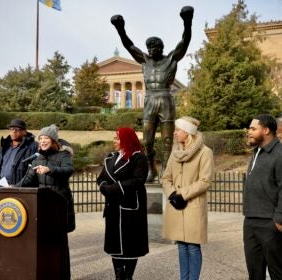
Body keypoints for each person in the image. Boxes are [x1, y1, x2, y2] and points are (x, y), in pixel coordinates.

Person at [111, 6, 193, 182]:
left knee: (168, 141)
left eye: (153, 46)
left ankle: (166, 168)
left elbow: (184, 42)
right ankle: (151, 169)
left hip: (165, 98)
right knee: (147, 141)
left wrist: (187, 21)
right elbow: (129, 45)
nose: (149, 49)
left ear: (160, 47)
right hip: (149, 100)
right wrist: (120, 28)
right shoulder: (144, 60)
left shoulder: (171, 58)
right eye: (148, 46)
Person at [14, 124, 75, 280]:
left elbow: (68, 170)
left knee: (59, 243)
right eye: (40, 138)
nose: (42, 141)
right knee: (44, 242)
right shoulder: (37, 157)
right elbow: (28, 179)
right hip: (43, 206)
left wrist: (50, 169)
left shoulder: (63, 155)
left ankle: (62, 275)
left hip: (59, 205)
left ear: (53, 140)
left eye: (45, 138)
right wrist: (13, 188)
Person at [244, 114, 282, 280]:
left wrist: (280, 219)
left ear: (266, 130)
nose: (249, 132)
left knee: (278, 272)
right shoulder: (257, 152)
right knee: (255, 272)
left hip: (272, 223)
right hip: (251, 220)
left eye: (253, 129)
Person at [162, 116, 214, 280]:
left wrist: (183, 194)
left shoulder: (205, 152)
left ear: (188, 132)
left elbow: (205, 181)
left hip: (193, 206)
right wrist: (172, 194)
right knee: (181, 247)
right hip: (175, 205)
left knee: (192, 246)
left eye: (178, 130)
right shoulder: (175, 152)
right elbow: (165, 178)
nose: (175, 133)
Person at [97, 127, 149, 280]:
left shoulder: (138, 158)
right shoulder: (110, 157)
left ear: (127, 140)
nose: (114, 141)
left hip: (130, 207)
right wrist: (104, 187)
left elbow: (138, 180)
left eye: (118, 138)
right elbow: (101, 178)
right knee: (114, 243)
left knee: (130, 244)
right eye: (114, 138)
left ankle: (128, 276)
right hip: (112, 206)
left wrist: (115, 187)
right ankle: (119, 275)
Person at [0, 119, 38, 188]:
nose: (14, 131)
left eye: (17, 129)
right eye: (12, 129)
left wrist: (16, 187)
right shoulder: (1, 149)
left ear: (24, 132)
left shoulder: (33, 147)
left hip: (21, 191)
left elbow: (33, 172)